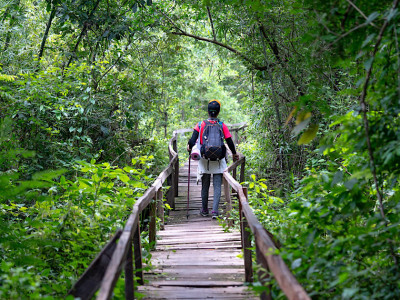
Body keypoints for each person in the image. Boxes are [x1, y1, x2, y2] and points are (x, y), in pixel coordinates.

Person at [187, 100, 239, 219]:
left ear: (208, 111)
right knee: (217, 186)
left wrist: (189, 147)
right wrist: (235, 154)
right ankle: (215, 211)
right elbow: (229, 141)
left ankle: (204, 209)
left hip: (204, 159)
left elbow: (191, 140)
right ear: (218, 112)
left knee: (205, 185)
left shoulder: (200, 125)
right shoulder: (221, 125)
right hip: (219, 160)